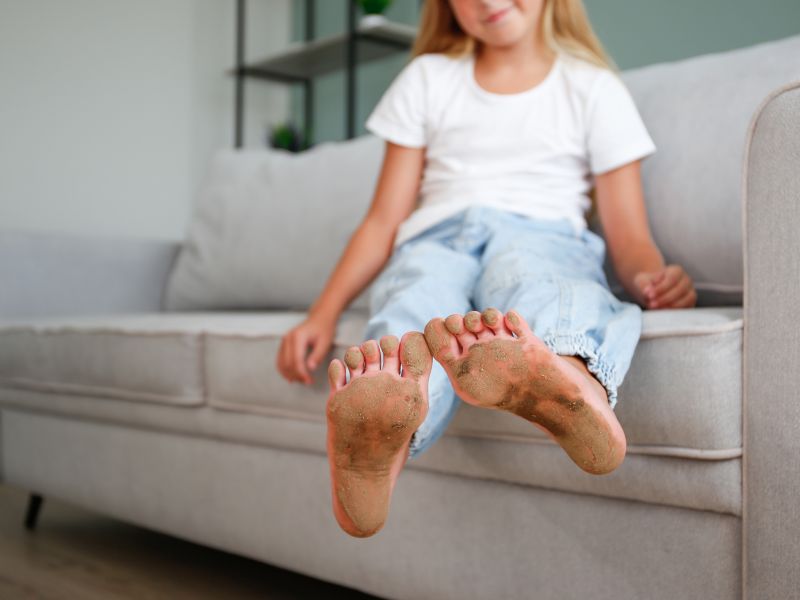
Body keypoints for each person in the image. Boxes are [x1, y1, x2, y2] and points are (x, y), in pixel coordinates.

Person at [277, 0, 697, 538]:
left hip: (541, 232)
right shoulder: (428, 78)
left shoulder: (592, 88)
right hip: (438, 236)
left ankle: (568, 377)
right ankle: (380, 433)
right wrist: (321, 314)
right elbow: (383, 221)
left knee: (543, 281)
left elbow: (629, 236)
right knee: (417, 300)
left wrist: (652, 279)